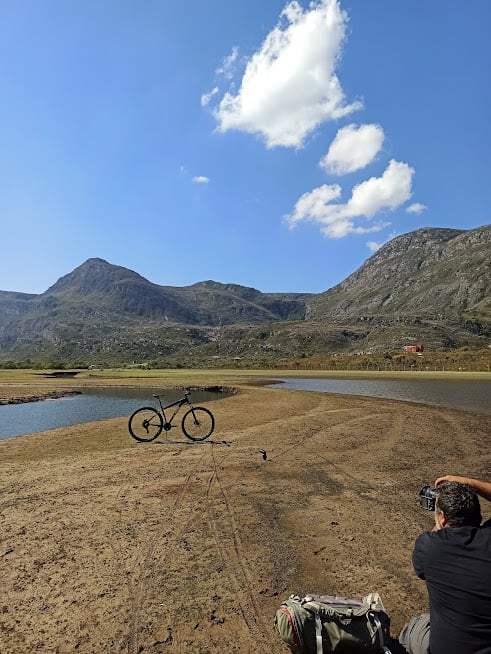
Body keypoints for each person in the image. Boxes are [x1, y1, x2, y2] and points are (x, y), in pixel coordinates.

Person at [399, 476, 491, 654]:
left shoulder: (429, 547)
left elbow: (422, 562)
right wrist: (469, 483)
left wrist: (438, 525)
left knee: (414, 627)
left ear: (442, 518)